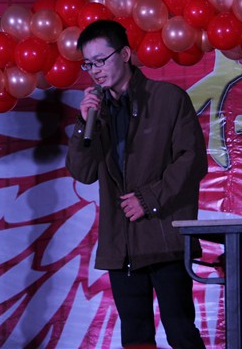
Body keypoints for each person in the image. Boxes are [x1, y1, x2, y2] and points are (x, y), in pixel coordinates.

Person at [66, 20, 207, 348]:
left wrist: (148, 199)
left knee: (180, 330)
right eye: (88, 64)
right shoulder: (97, 113)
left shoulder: (167, 98)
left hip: (164, 237)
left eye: (101, 60)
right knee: (135, 335)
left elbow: (192, 160)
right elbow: (83, 172)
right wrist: (83, 122)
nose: (95, 70)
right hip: (122, 244)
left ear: (125, 54)